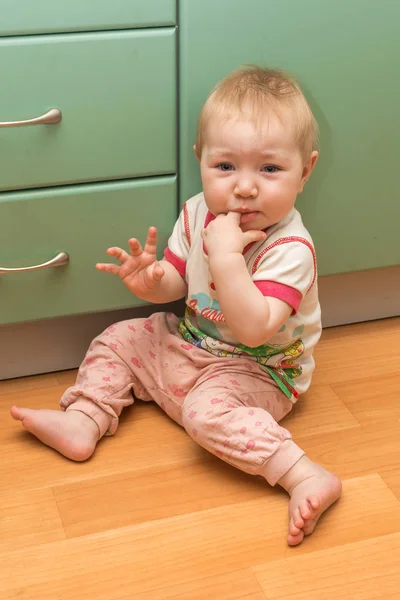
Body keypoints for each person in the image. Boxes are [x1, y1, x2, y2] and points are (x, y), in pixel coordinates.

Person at [10, 65, 342, 546]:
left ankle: (303, 474)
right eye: (225, 167)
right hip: (193, 341)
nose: (244, 187)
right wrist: (149, 280)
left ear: (305, 171)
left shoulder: (290, 249)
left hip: (260, 369)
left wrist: (226, 256)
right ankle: (85, 418)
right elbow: (177, 282)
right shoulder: (197, 211)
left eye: (269, 169)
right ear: (200, 160)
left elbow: (254, 330)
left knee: (205, 413)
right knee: (121, 337)